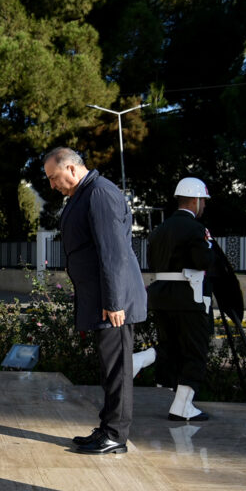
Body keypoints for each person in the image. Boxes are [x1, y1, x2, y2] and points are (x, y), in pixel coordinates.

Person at [43, 147, 147, 454]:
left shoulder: (100, 193)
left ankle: (115, 434)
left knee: (118, 369)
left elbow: (112, 251)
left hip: (112, 302)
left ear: (72, 169)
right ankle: (107, 427)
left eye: (54, 177)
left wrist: (114, 303)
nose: (52, 185)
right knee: (109, 367)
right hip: (102, 298)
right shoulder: (85, 193)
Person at [134, 177, 216, 421]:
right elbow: (203, 262)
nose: (204, 206)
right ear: (195, 200)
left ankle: (141, 358)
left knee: (172, 348)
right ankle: (183, 406)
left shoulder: (160, 229)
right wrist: (209, 248)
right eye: (203, 201)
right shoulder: (196, 229)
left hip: (161, 296)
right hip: (189, 298)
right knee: (195, 351)